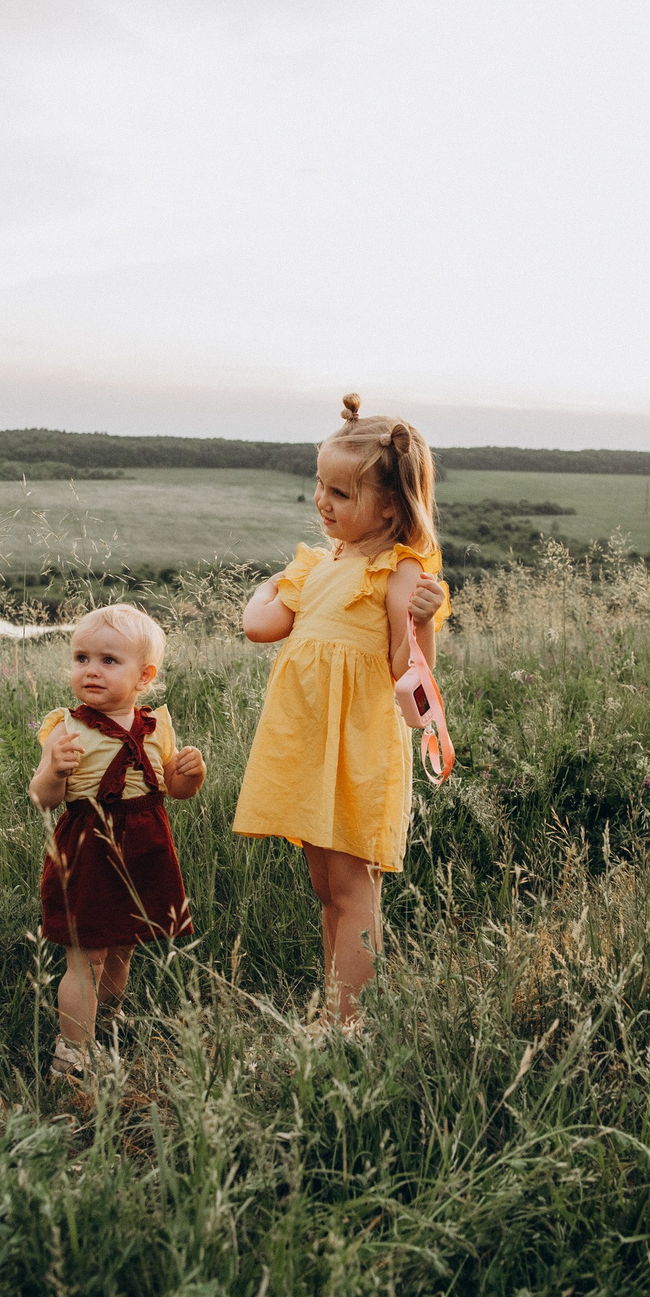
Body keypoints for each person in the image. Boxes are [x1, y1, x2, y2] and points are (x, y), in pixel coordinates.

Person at [232, 396, 450, 1025]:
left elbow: (407, 672)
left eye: (341, 494)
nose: (323, 502)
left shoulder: (399, 572)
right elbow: (261, 626)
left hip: (355, 746)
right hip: (307, 742)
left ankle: (348, 1024)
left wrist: (422, 621)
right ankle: (332, 1010)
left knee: (354, 888)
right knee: (326, 888)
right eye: (319, 487)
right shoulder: (320, 564)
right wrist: (266, 587)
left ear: (389, 504)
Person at [29, 604, 208, 1080]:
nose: (91, 669)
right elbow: (43, 799)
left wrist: (190, 775)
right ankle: (72, 1053)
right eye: (82, 657)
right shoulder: (65, 728)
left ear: (143, 676)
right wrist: (54, 770)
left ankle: (106, 1021)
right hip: (88, 845)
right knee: (86, 954)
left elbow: (173, 789)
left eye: (109, 661)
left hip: (146, 844)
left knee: (123, 946)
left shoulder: (156, 726)